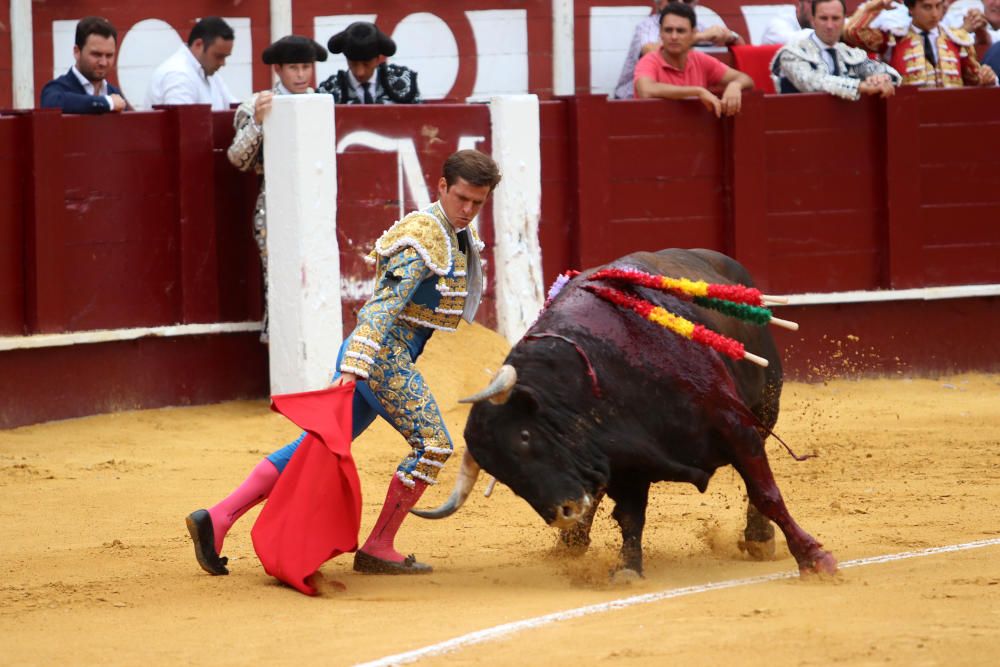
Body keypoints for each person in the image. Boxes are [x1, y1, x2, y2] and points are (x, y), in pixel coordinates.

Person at [186, 149, 501, 576]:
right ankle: (378, 546)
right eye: (461, 198)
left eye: (477, 203)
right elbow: (381, 307)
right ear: (441, 186)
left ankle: (218, 517)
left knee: (313, 446)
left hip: (387, 356)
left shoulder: (450, 231)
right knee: (434, 445)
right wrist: (354, 366)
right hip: (381, 358)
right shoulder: (424, 235)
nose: (467, 210)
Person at [227, 35, 328, 344]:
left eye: (305, 67)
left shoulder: (320, 101)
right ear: (279, 71)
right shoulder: (257, 105)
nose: (301, 75)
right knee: (280, 281)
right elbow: (238, 159)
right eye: (293, 68)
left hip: (318, 203)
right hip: (274, 205)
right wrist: (258, 122)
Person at [634, 2, 754, 117]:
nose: (674, 37)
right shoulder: (649, 60)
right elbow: (646, 90)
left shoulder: (700, 59)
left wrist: (735, 86)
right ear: (660, 33)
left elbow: (746, 79)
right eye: (668, 30)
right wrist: (697, 91)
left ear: (693, 33)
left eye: (680, 31)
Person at [845, 0, 998, 87]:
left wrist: (987, 78)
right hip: (908, 117)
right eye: (927, 7)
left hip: (949, 114)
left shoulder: (956, 40)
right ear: (911, 8)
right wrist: (876, 5)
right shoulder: (894, 39)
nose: (935, 14)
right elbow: (852, 32)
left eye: (938, 6)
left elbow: (974, 81)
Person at [613, 0, 744, 99]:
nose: (681, 3)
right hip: (630, 102)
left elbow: (741, 45)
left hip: (677, 102)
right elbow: (652, 52)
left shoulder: (694, 25)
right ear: (660, 3)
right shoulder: (647, 25)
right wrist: (697, 37)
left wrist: (732, 36)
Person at [772, 0, 902, 98]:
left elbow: (891, 74)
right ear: (813, 20)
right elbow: (814, 82)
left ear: (843, 21)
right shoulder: (792, 54)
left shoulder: (849, 55)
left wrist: (882, 78)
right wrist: (859, 86)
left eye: (835, 18)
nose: (830, 25)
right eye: (824, 18)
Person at [40, 16, 129, 114]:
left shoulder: (114, 93)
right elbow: (51, 104)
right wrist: (107, 102)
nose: (103, 62)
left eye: (109, 55)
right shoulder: (56, 90)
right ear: (77, 52)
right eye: (96, 54)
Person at [317, 22, 421, 104]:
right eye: (353, 63)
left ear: (378, 59)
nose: (359, 72)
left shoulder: (402, 83)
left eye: (366, 64)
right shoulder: (328, 91)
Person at [146, 16, 238, 109]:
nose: (223, 63)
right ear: (198, 45)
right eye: (218, 56)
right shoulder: (178, 75)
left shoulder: (209, 72)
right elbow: (183, 121)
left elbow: (238, 111)